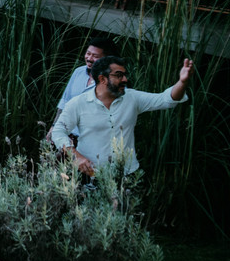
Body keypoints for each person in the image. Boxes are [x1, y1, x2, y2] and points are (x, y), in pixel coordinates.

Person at [51, 56, 192, 177]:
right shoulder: (78, 103)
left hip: (126, 175)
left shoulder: (132, 98)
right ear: (102, 79)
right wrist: (76, 156)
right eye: (118, 75)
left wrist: (182, 82)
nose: (125, 79)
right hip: (89, 174)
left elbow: (166, 99)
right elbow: (58, 131)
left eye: (124, 74)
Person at [53, 37, 118, 128]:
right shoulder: (78, 72)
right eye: (88, 53)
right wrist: (54, 126)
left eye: (95, 56)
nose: (89, 58)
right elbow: (64, 102)